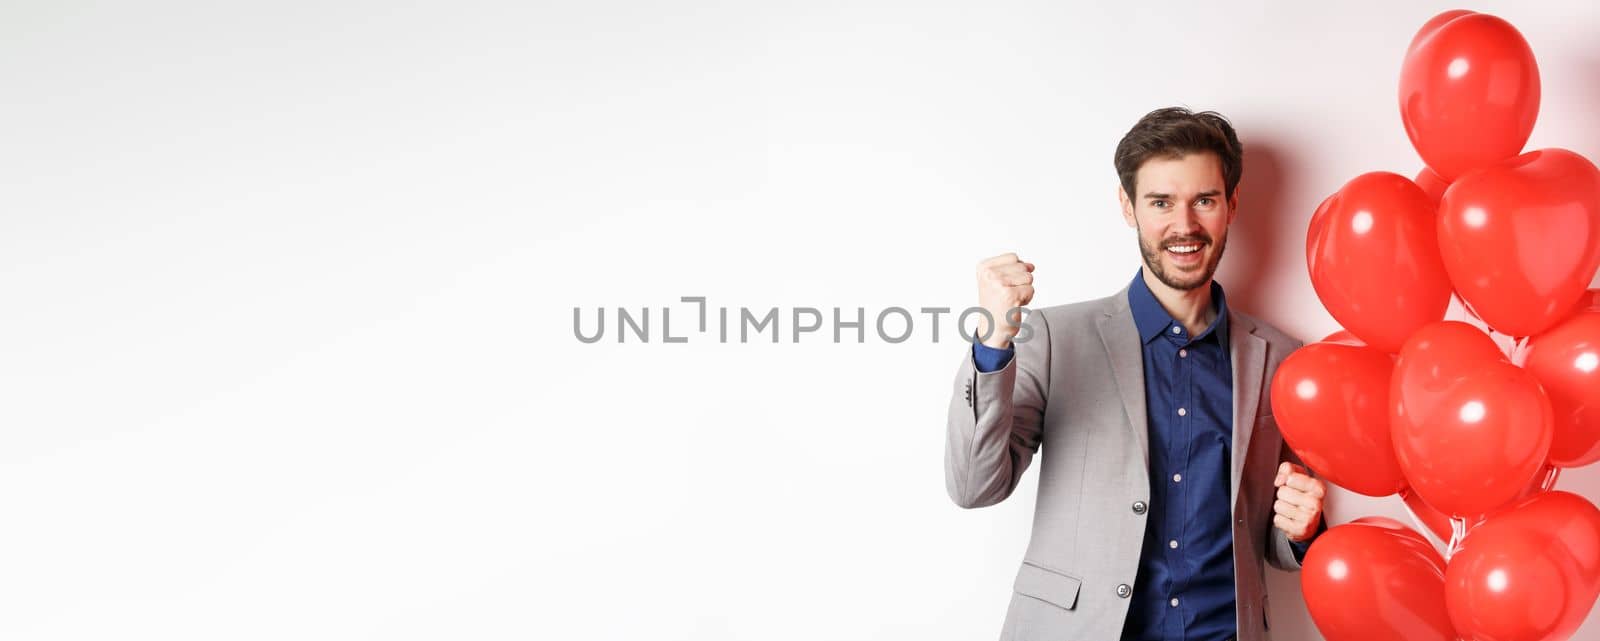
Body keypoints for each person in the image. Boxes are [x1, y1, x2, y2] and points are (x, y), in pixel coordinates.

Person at [945, 107, 1326, 641]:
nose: (1185, 225)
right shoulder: (1056, 339)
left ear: (1232, 204)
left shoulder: (1281, 358)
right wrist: (994, 337)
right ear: (1128, 207)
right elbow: (973, 486)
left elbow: (1271, 540)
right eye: (1161, 202)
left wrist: (1304, 531)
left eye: (1205, 201)